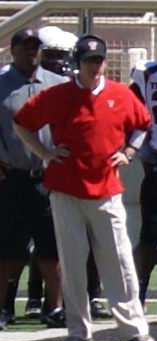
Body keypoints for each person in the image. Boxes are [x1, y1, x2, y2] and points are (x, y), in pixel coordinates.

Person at [13, 34, 154, 341]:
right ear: (76, 63)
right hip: (65, 191)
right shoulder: (57, 95)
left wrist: (129, 152)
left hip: (106, 190)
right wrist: (45, 154)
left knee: (119, 260)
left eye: (99, 60)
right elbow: (21, 123)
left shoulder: (119, 93)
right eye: (89, 60)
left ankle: (134, 329)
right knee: (73, 262)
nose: (96, 66)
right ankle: (78, 330)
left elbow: (143, 123)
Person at [37, 25, 111, 318]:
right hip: (49, 174)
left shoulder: (84, 87)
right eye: (50, 55)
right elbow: (21, 121)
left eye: (60, 55)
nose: (56, 62)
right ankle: (40, 299)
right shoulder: (50, 88)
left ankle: (91, 296)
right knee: (48, 243)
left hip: (84, 178)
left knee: (89, 243)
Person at [0, 27, 68, 330]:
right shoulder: (0, 84)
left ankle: (54, 308)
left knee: (51, 248)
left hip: (49, 177)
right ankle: (3, 308)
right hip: (11, 177)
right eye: (25, 47)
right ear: (12, 50)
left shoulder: (57, 85)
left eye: (35, 47)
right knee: (8, 248)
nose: (31, 52)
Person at [129, 28, 157, 308]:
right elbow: (130, 113)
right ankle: (138, 295)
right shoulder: (147, 75)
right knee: (149, 235)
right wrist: (143, 153)